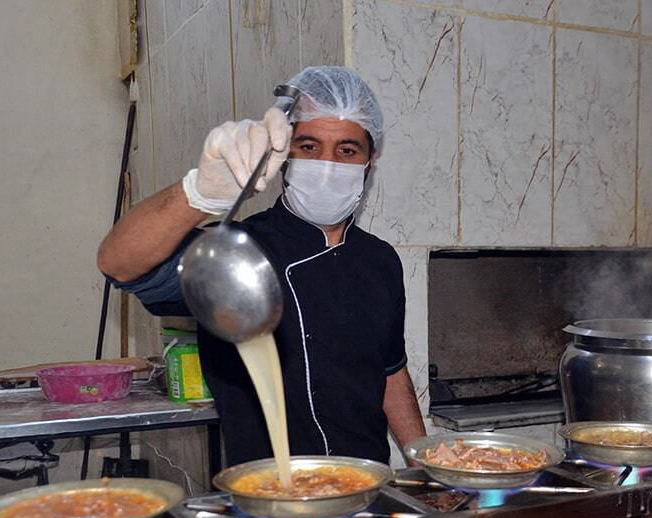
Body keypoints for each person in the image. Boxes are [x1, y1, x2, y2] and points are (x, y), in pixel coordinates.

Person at [98, 66, 426, 466]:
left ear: (369, 162)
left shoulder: (381, 260)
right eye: (308, 147)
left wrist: (421, 460)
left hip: (366, 484)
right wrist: (200, 193)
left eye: (346, 150)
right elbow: (119, 262)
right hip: (266, 493)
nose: (327, 163)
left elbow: (391, 371)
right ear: (284, 155)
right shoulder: (236, 252)